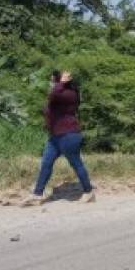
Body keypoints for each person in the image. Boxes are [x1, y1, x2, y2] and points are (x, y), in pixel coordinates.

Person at [24, 70, 94, 206]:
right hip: (55, 136)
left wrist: (61, 83)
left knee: (76, 164)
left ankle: (89, 192)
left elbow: (53, 96)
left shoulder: (69, 94)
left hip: (69, 135)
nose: (51, 84)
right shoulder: (60, 93)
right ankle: (37, 195)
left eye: (53, 81)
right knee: (46, 163)